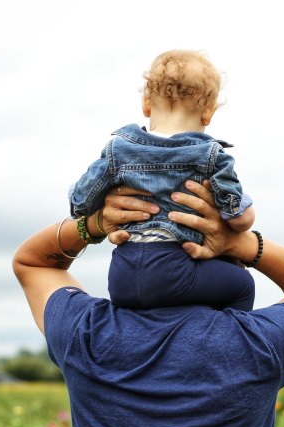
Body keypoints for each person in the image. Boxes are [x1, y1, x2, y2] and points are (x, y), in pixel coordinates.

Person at [12, 180, 284, 427]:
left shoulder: (87, 335)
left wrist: (95, 223)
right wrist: (241, 243)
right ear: (227, 270)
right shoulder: (258, 344)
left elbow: (33, 263)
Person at [69, 50, 256, 311]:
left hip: (122, 275)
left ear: (146, 104)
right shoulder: (211, 155)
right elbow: (237, 218)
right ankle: (229, 342)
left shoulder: (118, 149)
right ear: (208, 114)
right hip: (176, 270)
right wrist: (245, 213)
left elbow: (80, 203)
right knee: (242, 283)